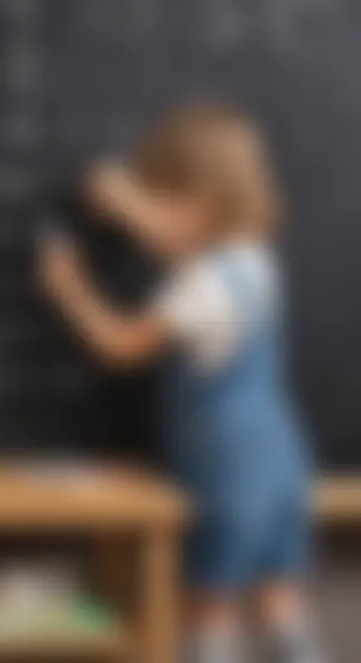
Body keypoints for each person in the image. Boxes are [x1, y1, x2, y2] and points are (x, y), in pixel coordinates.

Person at [38, 102, 323, 663]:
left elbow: (119, 346)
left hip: (227, 473)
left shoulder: (199, 290)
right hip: (283, 463)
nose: (147, 221)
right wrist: (129, 203)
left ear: (201, 203)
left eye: (160, 197)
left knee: (210, 610)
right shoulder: (255, 260)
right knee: (280, 603)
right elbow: (173, 232)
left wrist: (68, 285)